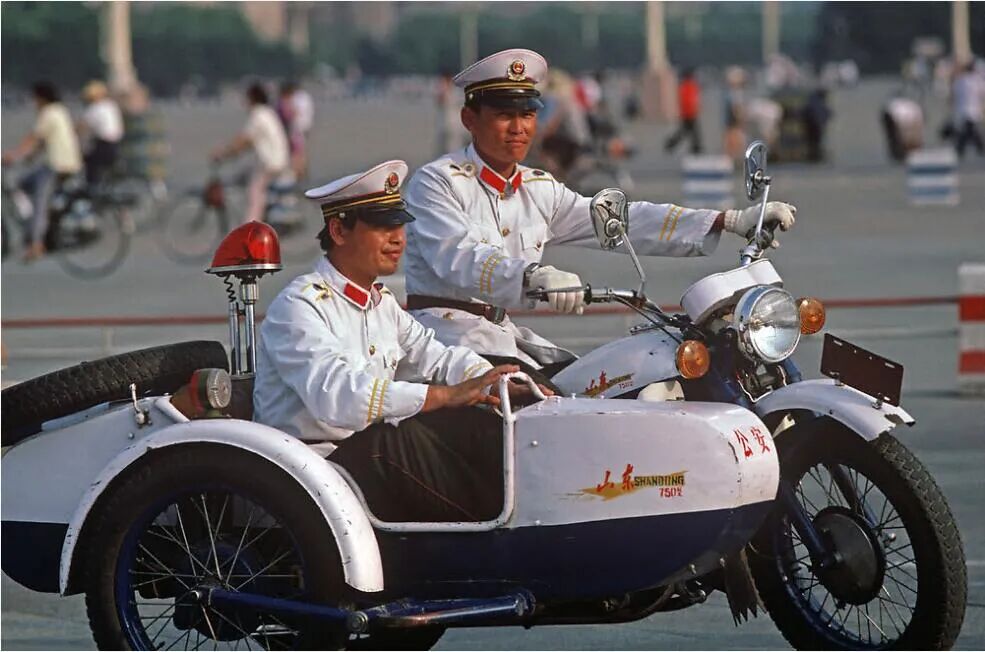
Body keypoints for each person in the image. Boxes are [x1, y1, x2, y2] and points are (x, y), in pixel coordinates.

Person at [402, 49, 797, 381]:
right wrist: (533, 276)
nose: (519, 128)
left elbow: (618, 220)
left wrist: (726, 220)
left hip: (502, 337)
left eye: (528, 115)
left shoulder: (538, 187)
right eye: (504, 115)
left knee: (607, 384)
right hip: (444, 343)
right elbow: (460, 257)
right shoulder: (437, 182)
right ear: (469, 119)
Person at [253, 160, 551, 523]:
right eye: (382, 226)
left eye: (399, 225)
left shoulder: (381, 304)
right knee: (395, 441)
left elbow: (438, 357)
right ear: (339, 231)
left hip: (361, 457)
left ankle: (538, 506)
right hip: (314, 467)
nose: (398, 239)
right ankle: (498, 536)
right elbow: (339, 397)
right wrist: (443, 396)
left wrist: (496, 383)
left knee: (481, 417)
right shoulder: (300, 306)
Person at [2, 81, 83, 261]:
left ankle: (36, 244)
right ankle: (32, 225)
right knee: (23, 185)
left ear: (41, 98)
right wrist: (30, 156)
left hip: (56, 165)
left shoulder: (49, 113)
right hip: (68, 163)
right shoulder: (61, 111)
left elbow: (34, 138)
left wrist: (13, 155)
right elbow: (45, 140)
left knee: (40, 203)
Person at [211, 82, 290, 223]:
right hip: (275, 160)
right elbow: (247, 142)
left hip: (271, 162)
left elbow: (245, 140)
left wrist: (223, 153)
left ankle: (252, 225)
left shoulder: (259, 114)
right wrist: (232, 151)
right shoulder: (267, 112)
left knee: (255, 192)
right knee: (245, 175)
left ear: (252, 98)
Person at [78, 80, 124, 186]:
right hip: (116, 145)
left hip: (103, 145)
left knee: (89, 160)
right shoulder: (111, 105)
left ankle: (91, 186)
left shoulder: (95, 108)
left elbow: (82, 127)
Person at [664, 67, 702, 155]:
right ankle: (695, 147)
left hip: (688, 113)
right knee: (691, 131)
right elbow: (690, 101)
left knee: (687, 131)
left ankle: (672, 144)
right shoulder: (689, 86)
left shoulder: (685, 86)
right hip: (689, 113)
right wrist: (694, 109)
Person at [950, 60, 984, 158]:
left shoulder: (960, 80)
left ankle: (962, 148)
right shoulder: (977, 80)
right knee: (970, 129)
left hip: (963, 108)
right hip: (972, 108)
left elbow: (954, 94)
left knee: (969, 129)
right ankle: (978, 147)